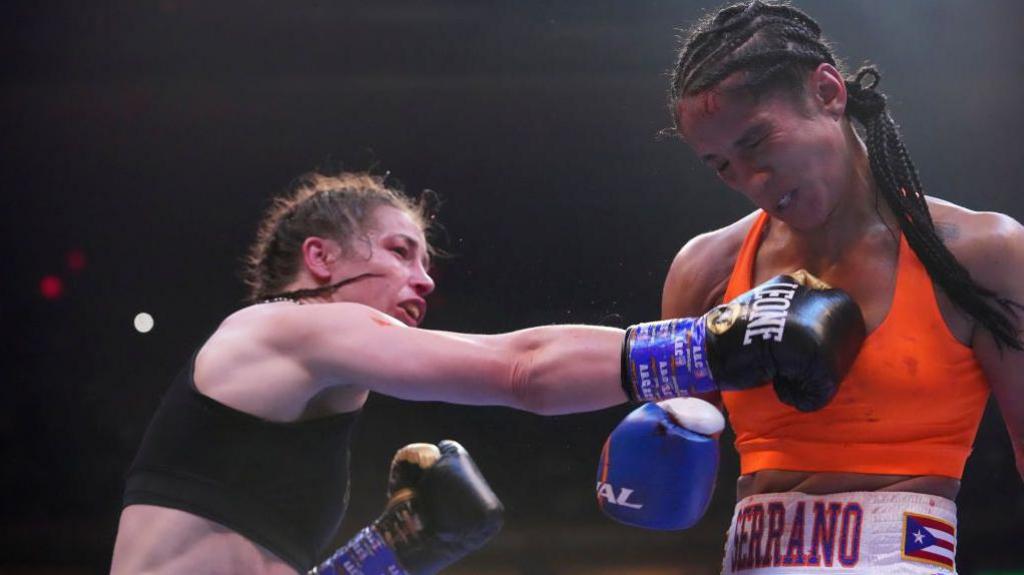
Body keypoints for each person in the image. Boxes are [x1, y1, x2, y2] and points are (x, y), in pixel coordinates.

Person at [110, 170, 865, 575]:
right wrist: (709, 347)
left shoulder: (292, 398)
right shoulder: (281, 327)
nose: (424, 278)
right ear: (320, 259)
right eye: (399, 251)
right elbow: (520, 369)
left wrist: (382, 558)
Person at [599, 2, 1024, 573]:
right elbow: (667, 462)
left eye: (755, 143)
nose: (751, 181)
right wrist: (641, 458)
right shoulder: (706, 271)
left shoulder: (979, 255)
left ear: (827, 91)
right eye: (721, 165)